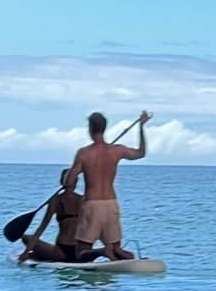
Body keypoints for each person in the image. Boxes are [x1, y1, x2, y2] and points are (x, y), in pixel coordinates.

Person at [16, 110, 151, 264]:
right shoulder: (117, 150)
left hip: (92, 204)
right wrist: (141, 126)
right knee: (116, 248)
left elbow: (68, 182)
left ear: (90, 129)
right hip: (111, 203)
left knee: (80, 252)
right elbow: (141, 153)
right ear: (104, 128)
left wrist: (75, 170)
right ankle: (123, 255)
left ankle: (102, 251)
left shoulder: (84, 153)